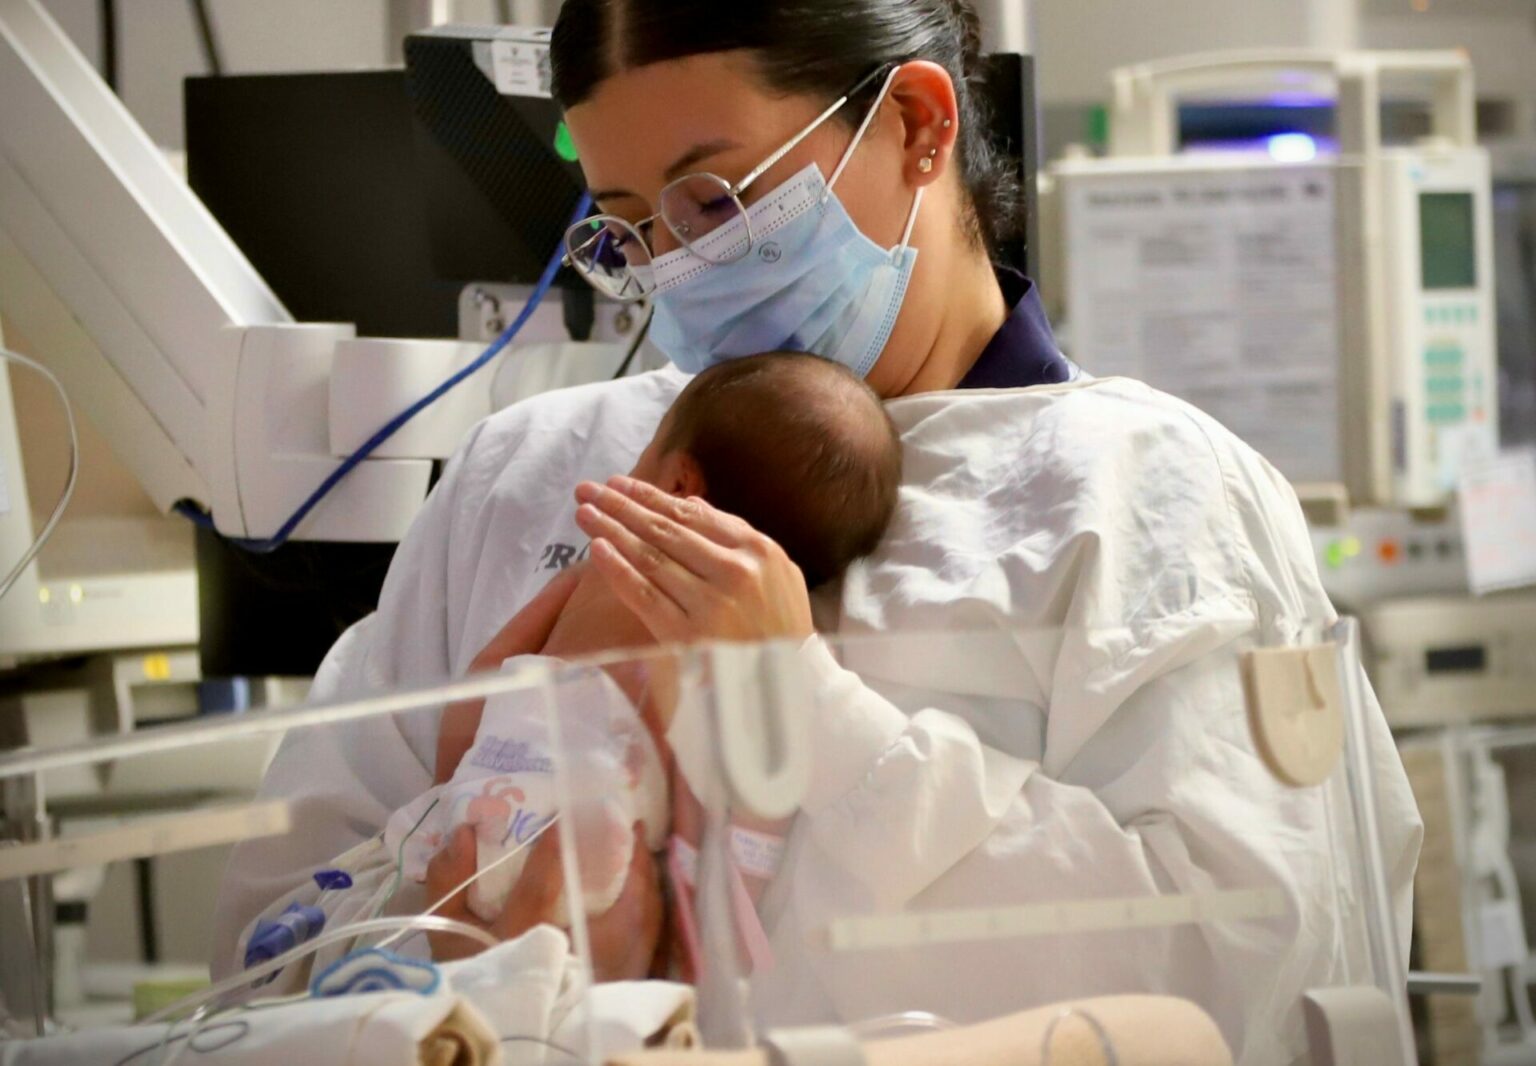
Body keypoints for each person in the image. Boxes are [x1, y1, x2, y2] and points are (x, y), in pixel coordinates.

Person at [212, 2, 1422, 1062]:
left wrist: (818, 726)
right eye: (630, 224)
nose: (679, 271)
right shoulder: (535, 475)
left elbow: (1246, 976)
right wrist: (454, 918)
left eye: (719, 197)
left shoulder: (1149, 494)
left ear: (917, 125)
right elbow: (267, 951)